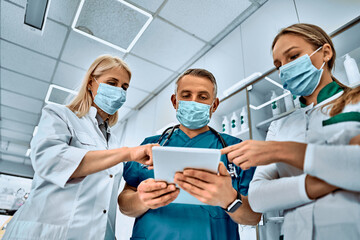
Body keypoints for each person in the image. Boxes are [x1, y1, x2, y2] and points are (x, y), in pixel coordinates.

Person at [221, 23, 360, 239]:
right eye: (278, 65)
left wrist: (282, 152)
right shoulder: (279, 126)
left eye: (293, 56)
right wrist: (331, 179)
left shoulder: (356, 102)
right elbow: (257, 197)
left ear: (325, 52)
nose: (284, 68)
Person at [3, 55, 157, 240]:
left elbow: (105, 206)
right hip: (45, 234)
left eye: (124, 87)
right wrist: (127, 153)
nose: (119, 91)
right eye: (112, 82)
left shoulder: (113, 141)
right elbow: (50, 161)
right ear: (91, 83)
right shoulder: (60, 115)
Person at [118, 68, 261, 240]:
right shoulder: (151, 147)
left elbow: (253, 217)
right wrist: (141, 199)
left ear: (214, 105)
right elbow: (125, 203)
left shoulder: (234, 149)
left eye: (202, 97)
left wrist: (229, 199)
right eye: (186, 95)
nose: (194, 102)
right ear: (175, 101)